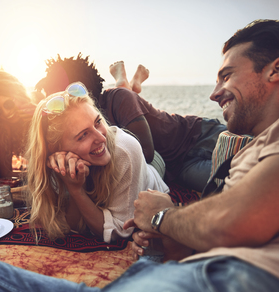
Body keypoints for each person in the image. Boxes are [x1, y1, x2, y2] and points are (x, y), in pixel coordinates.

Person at [0, 19, 279, 292]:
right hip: (161, 274)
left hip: (222, 277)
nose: (214, 92)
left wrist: (161, 217)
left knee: (177, 169)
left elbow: (238, 222)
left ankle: (129, 87)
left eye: (227, 75)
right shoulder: (256, 147)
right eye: (81, 135)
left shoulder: (126, 145)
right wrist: (165, 240)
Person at [35, 54, 227, 192]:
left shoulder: (118, 99)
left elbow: (147, 152)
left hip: (196, 136)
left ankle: (126, 84)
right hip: (177, 167)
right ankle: (130, 82)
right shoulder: (80, 126)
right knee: (223, 184)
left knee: (247, 167)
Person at [25, 82, 168, 243]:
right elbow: (71, 226)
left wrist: (76, 191)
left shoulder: (125, 151)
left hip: (149, 169)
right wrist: (74, 185)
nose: (101, 137)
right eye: (83, 135)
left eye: (98, 122)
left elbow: (119, 232)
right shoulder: (58, 162)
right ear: (57, 148)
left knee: (152, 159)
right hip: (127, 159)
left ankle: (124, 85)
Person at [0, 71, 35, 179]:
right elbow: (6, 173)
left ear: (18, 94)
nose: (6, 113)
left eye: (8, 104)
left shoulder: (40, 114)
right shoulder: (2, 127)